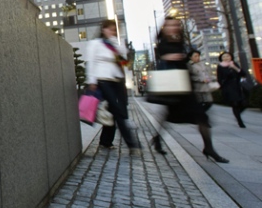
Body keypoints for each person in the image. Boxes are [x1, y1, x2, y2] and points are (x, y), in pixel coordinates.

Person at [151, 17, 228, 163]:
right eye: (169, 25)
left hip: (186, 84)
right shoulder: (163, 43)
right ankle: (158, 139)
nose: (173, 27)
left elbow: (184, 58)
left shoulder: (180, 41)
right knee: (170, 116)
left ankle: (208, 148)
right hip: (174, 86)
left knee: (200, 116)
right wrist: (176, 56)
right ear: (164, 28)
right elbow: (164, 56)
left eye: (175, 25)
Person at [86, 19, 141, 153]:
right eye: (109, 29)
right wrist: (91, 81)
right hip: (103, 80)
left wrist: (115, 41)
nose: (112, 32)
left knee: (113, 111)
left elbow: (123, 57)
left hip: (117, 80)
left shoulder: (115, 43)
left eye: (114, 30)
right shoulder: (96, 44)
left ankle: (105, 141)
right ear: (103, 29)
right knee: (118, 111)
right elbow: (91, 62)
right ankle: (132, 144)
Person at [216, 51, 247, 128]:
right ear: (221, 59)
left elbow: (243, 74)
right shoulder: (220, 66)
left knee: (244, 103)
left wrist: (234, 68)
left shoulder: (234, 64)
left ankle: (237, 114)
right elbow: (219, 78)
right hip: (228, 87)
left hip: (238, 86)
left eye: (228, 56)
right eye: (224, 57)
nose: (226, 58)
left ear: (231, 57)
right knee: (235, 104)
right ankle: (240, 122)